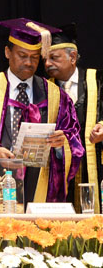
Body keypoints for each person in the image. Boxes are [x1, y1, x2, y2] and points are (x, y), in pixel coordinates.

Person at [0, 18, 84, 204]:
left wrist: (63, 142)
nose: (28, 62)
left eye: (34, 57)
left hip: (38, 187)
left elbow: (73, 139)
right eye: (22, 55)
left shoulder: (57, 97)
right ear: (7, 52)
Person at [45, 23, 103, 212]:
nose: (47, 64)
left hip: (96, 170)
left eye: (54, 58)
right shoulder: (44, 90)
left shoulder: (99, 80)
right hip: (60, 173)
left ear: (72, 57)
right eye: (45, 59)